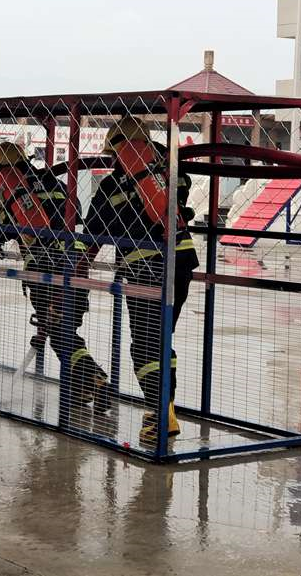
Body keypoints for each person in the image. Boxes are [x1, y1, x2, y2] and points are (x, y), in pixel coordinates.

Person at [84, 117, 199, 444]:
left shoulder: (110, 186)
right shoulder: (172, 171)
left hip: (143, 269)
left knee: (145, 345)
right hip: (182, 262)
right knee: (160, 337)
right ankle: (165, 410)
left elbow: (92, 236)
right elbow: (180, 201)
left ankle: (159, 413)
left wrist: (76, 268)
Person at [0, 142, 110, 412]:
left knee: (58, 333)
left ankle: (95, 377)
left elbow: (1, 230)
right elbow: (75, 209)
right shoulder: (52, 182)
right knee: (65, 330)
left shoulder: (13, 189)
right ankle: (84, 388)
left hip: (44, 270)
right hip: (75, 264)